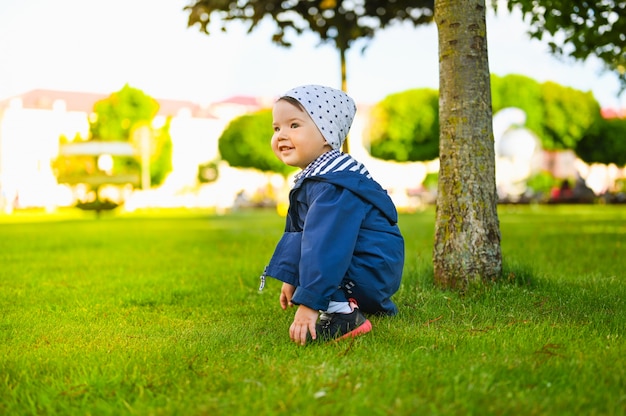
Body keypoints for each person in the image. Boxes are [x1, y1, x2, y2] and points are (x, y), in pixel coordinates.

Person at [259, 84, 405, 346]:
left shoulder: (334, 186)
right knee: (317, 252)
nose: (281, 135)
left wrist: (309, 304)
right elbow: (301, 236)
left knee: (322, 252)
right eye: (276, 127)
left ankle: (344, 315)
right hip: (362, 272)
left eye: (294, 125)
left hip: (369, 272)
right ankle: (344, 302)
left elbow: (326, 248)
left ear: (326, 134)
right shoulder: (316, 179)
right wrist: (293, 279)